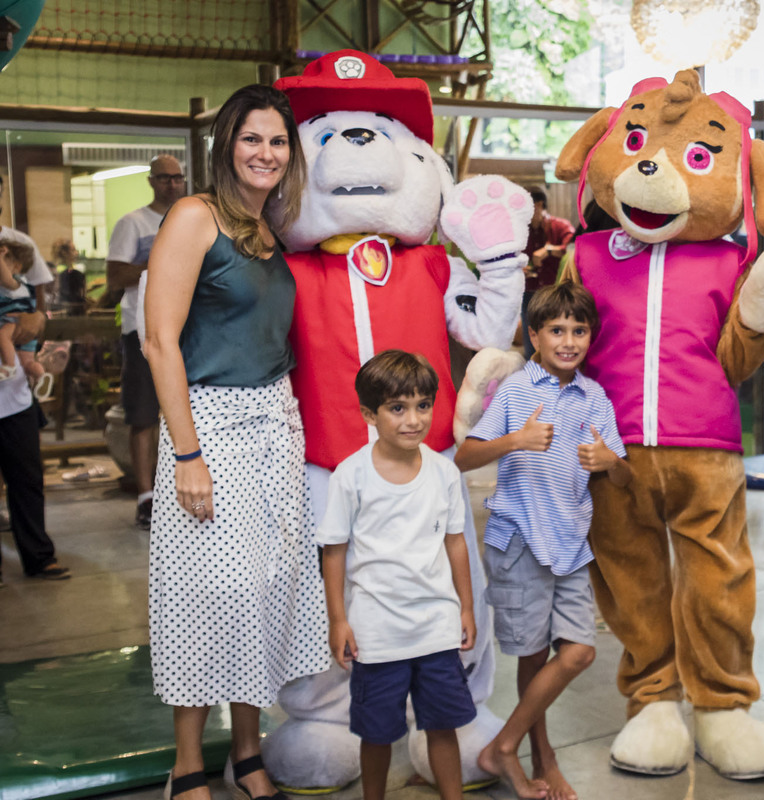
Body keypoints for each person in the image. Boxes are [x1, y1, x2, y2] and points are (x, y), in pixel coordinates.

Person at [142, 85, 328, 800]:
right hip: (210, 427)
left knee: (265, 589)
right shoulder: (195, 217)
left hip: (275, 424)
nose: (266, 153)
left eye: (277, 141)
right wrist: (187, 454)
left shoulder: (269, 229)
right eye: (252, 139)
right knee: (207, 594)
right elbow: (161, 341)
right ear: (227, 145)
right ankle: (187, 762)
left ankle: (247, 753)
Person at [456, 283, 630, 800]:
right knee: (532, 659)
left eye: (579, 330)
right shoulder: (514, 392)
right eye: (557, 330)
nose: (569, 340)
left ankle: (504, 745)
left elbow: (624, 477)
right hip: (520, 542)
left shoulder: (594, 396)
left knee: (577, 653)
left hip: (572, 545)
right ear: (534, 336)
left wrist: (611, 464)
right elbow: (465, 455)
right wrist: (515, 441)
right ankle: (541, 756)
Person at [318, 350, 477, 800]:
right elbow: (335, 551)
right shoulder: (351, 476)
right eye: (397, 408)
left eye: (423, 405)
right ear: (369, 413)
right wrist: (338, 620)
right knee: (377, 733)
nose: (413, 420)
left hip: (436, 629)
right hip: (377, 633)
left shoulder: (445, 472)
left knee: (442, 727)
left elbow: (455, 542)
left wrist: (465, 607)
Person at [108, 154, 186, 529]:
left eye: (177, 178)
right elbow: (115, 274)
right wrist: (160, 263)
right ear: (152, 181)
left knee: (184, 411)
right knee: (143, 415)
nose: (172, 184)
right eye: (165, 178)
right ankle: (145, 496)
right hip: (143, 329)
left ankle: (178, 490)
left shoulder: (191, 219)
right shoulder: (133, 223)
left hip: (187, 330)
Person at [0, 224, 69, 586]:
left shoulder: (18, 243)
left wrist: (35, 318)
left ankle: (38, 556)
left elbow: (38, 308)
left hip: (13, 395)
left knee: (27, 477)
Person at [520, 187, 574, 357]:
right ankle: (533, 379)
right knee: (531, 343)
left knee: (557, 340)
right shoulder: (521, 230)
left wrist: (549, 250)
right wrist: (520, 269)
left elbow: (574, 248)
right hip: (529, 293)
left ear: (538, 205)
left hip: (555, 293)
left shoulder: (560, 226)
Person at [0, 239, 49, 396]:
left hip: (15, 323)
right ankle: (41, 376)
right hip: (21, 332)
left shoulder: (16, 285)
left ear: (17, 268)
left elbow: (5, 278)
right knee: (27, 363)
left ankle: (8, 366)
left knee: (2, 336)